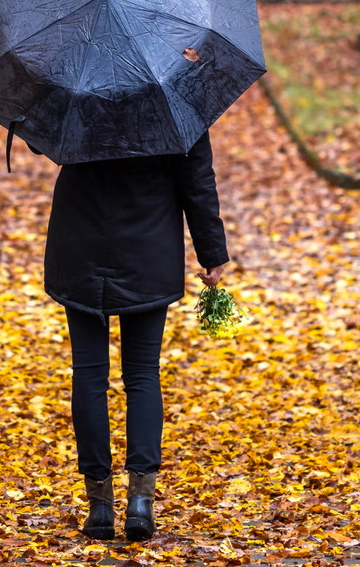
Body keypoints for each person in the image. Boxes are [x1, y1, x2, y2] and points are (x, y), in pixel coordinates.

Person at [43, 131, 230, 542]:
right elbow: (197, 180)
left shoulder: (76, 87)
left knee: (89, 373)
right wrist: (212, 253)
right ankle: (140, 502)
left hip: (80, 241)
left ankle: (99, 506)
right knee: (143, 373)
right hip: (149, 244)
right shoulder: (176, 102)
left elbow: (44, 139)